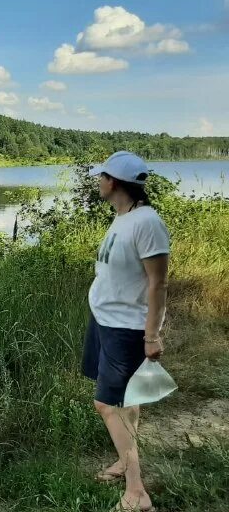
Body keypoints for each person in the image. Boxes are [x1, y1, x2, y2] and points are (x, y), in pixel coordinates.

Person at [81, 151, 170, 512]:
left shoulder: (147, 222)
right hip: (105, 320)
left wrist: (151, 335)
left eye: (101, 176)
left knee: (107, 404)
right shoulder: (124, 218)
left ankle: (137, 493)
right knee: (125, 401)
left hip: (126, 328)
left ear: (114, 182)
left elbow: (158, 284)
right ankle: (124, 458)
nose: (97, 181)